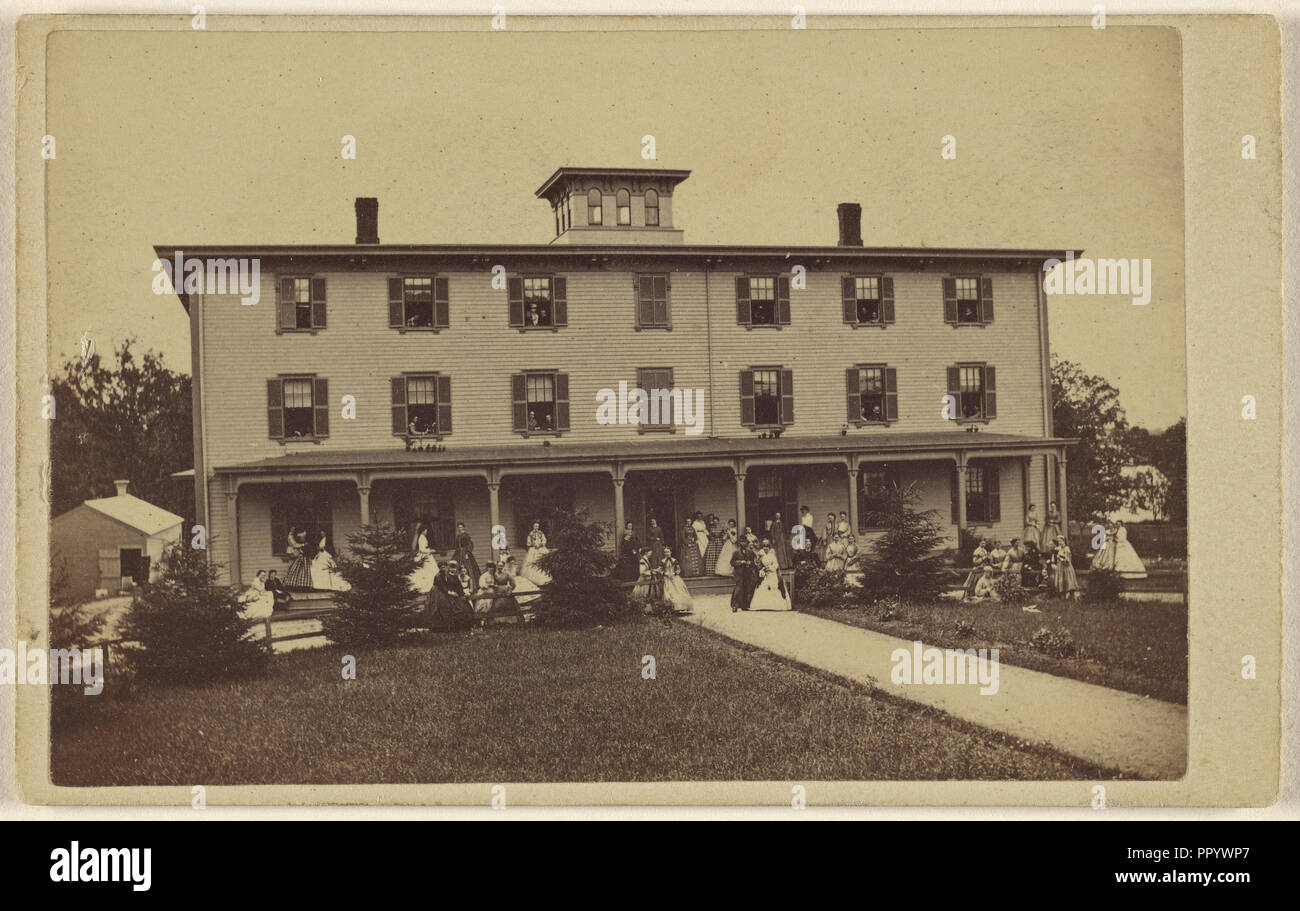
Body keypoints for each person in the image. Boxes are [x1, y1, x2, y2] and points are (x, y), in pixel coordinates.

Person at [749, 539, 792, 611]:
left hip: (772, 573)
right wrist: (762, 570)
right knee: (762, 586)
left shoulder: (772, 554)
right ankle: (762, 605)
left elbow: (776, 565)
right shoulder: (761, 555)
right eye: (764, 546)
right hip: (765, 574)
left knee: (774, 585)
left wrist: (770, 568)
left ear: (769, 547)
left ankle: (776, 605)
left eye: (767, 546)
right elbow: (759, 565)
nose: (766, 548)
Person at [408, 523, 439, 594]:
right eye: (426, 530)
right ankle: (426, 588)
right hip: (424, 555)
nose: (426, 532)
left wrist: (429, 550)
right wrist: (431, 550)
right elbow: (422, 549)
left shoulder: (422, 537)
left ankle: (431, 587)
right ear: (423, 530)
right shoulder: (421, 537)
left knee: (430, 571)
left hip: (425, 555)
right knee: (427, 571)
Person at [661, 548, 694, 613]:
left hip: (674, 578)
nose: (666, 553)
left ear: (671, 552)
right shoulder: (662, 561)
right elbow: (660, 570)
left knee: (678, 591)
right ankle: (670, 607)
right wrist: (665, 573)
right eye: (665, 552)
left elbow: (678, 569)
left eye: (668, 552)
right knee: (669, 592)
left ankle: (680, 607)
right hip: (667, 578)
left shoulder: (674, 560)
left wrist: (674, 573)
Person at [730, 539, 759, 613]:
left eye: (745, 542)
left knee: (746, 589)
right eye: (742, 542)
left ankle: (744, 605)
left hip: (747, 573)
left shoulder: (750, 552)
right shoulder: (736, 552)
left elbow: (754, 561)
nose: (743, 543)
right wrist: (740, 562)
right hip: (739, 574)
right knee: (738, 589)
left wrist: (750, 563)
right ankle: (734, 605)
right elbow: (732, 562)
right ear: (740, 543)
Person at [522, 520, 551, 586]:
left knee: (542, 560)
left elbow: (544, 540)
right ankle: (533, 578)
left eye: (537, 526)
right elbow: (528, 542)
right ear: (533, 527)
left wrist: (541, 544)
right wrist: (533, 544)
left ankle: (544, 577)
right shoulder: (530, 534)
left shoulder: (541, 533)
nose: (536, 527)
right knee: (532, 562)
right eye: (535, 526)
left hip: (540, 548)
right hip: (534, 549)